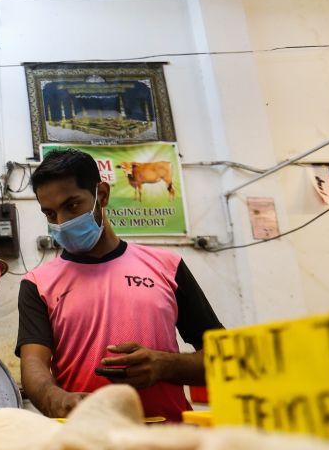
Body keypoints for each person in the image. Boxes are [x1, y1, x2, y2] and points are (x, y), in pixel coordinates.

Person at [16, 148, 222, 421]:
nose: (61, 223)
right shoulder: (37, 284)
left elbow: (221, 358)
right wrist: (56, 399)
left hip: (170, 440)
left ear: (102, 195)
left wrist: (164, 365)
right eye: (50, 214)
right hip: (86, 445)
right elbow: (33, 365)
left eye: (72, 205)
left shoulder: (167, 267)